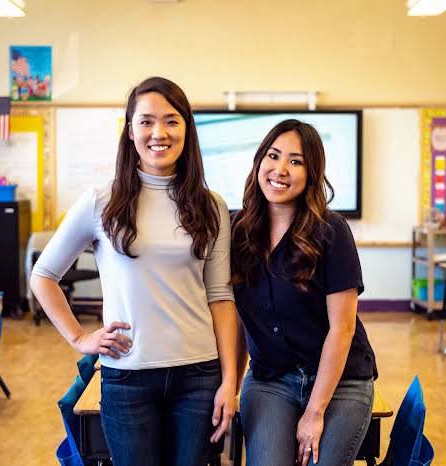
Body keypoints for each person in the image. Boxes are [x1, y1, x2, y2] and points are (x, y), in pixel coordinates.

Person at [30, 77, 237, 466]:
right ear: (129, 131)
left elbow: (221, 298)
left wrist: (230, 381)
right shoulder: (101, 201)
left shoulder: (212, 205)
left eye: (171, 121)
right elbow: (43, 275)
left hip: (199, 376)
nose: (159, 132)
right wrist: (79, 337)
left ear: (187, 129)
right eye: (146, 121)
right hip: (127, 377)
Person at [231, 119, 377, 466]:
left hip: (340, 381)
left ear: (312, 173)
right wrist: (230, 384)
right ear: (258, 162)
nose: (280, 169)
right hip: (271, 378)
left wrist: (314, 413)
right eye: (273, 155)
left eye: (296, 161)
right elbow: (237, 319)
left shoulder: (331, 230)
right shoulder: (236, 231)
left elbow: (342, 329)